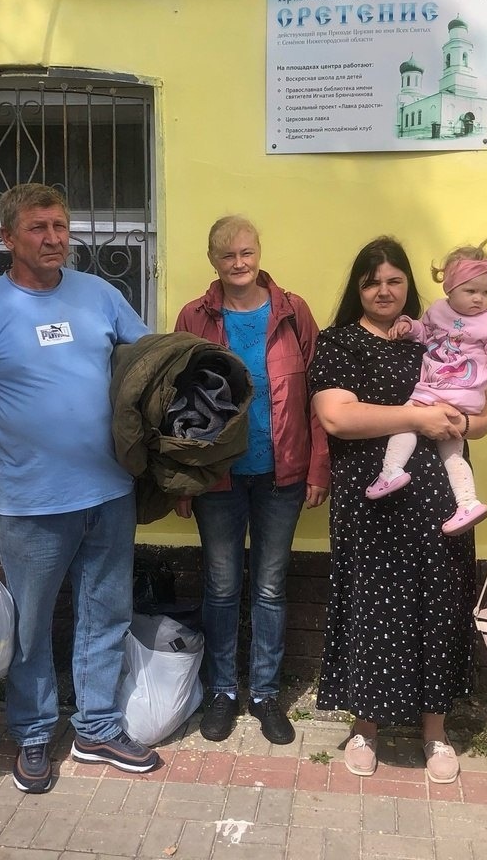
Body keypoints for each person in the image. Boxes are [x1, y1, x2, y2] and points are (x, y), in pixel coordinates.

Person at [0, 182, 158, 796]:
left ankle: (97, 727)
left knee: (106, 614)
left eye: (60, 226)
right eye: (38, 228)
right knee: (31, 626)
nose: (54, 238)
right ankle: (34, 732)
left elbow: (150, 367)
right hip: (33, 504)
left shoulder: (101, 295)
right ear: (8, 237)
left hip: (110, 493)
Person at [307, 235, 487, 782]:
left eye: (395, 281)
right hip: (370, 502)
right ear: (358, 289)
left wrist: (462, 422)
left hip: (442, 506)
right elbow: (337, 417)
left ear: (411, 285)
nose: (384, 291)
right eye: (372, 282)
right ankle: (365, 729)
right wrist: (417, 418)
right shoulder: (339, 342)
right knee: (372, 610)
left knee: (438, 609)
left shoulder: (437, 335)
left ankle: (435, 732)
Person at [172, 215, 330, 744]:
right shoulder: (194, 316)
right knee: (221, 587)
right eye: (227, 255)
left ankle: (264, 694)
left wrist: (318, 464)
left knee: (269, 586)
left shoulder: (292, 311)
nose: (238, 263)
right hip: (217, 477)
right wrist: (182, 479)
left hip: (281, 473)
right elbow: (177, 401)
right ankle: (221, 691)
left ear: (259, 253)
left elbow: (318, 393)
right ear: (212, 260)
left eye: (246, 252)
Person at [367, 240, 487, 537]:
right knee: (452, 453)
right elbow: (424, 331)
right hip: (450, 394)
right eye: (471, 291)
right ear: (450, 289)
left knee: (406, 419)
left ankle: (391, 470)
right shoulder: (438, 310)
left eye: (486, 292)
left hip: (449, 392)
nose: (479, 299)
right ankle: (468, 503)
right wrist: (408, 327)